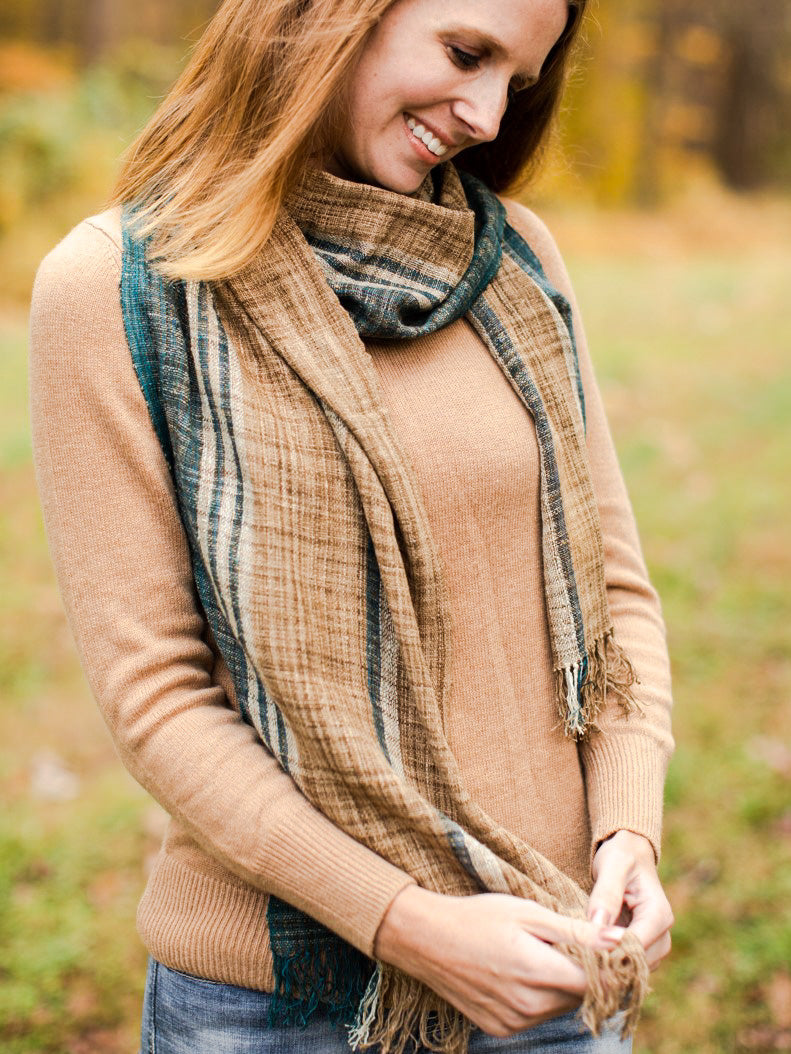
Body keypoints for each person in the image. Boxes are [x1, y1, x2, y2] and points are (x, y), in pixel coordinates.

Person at [29, 0, 675, 1051]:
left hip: (550, 950)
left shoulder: (514, 262)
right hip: (272, 1004)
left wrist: (626, 832)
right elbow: (157, 695)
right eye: (464, 53)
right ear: (326, 18)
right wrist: (408, 927)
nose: (481, 112)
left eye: (514, 80)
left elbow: (613, 590)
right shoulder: (118, 291)